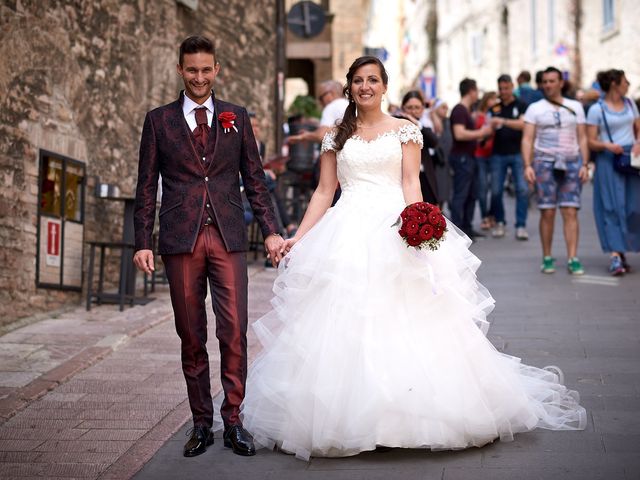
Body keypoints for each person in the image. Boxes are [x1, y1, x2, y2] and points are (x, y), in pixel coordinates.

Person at [236, 56, 586, 461]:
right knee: (344, 317)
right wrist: (299, 236)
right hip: (345, 230)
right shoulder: (335, 134)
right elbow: (323, 191)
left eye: (373, 80)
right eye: (358, 81)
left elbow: (409, 184)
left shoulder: (405, 130)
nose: (365, 87)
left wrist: (421, 231)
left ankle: (408, 417)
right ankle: (350, 418)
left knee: (406, 314)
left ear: (384, 86)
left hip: (392, 228)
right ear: (349, 87)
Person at [133, 36, 284, 458]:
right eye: (192, 70)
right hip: (181, 237)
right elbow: (146, 184)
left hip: (228, 234)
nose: (199, 78)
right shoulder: (159, 121)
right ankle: (201, 422)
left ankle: (233, 419)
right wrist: (142, 240)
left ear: (217, 70)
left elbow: (254, 178)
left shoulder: (235, 116)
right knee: (191, 333)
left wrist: (270, 229)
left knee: (234, 329)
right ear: (180, 70)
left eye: (206, 70)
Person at [522, 66, 590, 275]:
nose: (548, 85)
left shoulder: (575, 107)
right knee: (548, 211)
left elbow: (583, 137)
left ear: (561, 83)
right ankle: (548, 257)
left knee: (570, 210)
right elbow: (527, 138)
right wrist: (527, 165)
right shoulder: (535, 108)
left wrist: (585, 164)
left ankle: (573, 258)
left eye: (552, 81)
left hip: (571, 162)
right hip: (544, 163)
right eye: (545, 81)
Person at [586, 69, 640, 275]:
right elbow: (591, 140)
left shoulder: (630, 104)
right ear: (615, 83)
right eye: (625, 81)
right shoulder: (597, 109)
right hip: (609, 159)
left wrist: (638, 143)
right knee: (611, 206)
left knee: (633, 207)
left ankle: (623, 246)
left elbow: (638, 128)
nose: (628, 84)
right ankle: (615, 255)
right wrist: (607, 146)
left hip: (631, 158)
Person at [449, 78, 493, 238]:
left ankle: (467, 227)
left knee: (471, 193)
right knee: (461, 194)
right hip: (462, 158)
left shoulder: (466, 110)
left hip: (469, 156)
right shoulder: (460, 110)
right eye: (477, 91)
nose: (478, 95)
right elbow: (459, 134)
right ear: (471, 91)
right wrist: (481, 133)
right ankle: (457, 231)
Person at [488, 74, 530, 240]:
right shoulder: (495, 108)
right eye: (501, 88)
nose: (503, 91)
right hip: (498, 154)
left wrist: (503, 121)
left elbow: (523, 125)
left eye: (506, 88)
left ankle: (521, 225)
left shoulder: (521, 105)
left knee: (522, 189)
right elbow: (489, 127)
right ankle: (500, 222)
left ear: (512, 87)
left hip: (518, 153)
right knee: (496, 191)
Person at [400, 90, 439, 204]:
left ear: (422, 109)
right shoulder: (395, 124)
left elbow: (435, 142)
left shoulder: (423, 126)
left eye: (417, 108)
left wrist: (417, 125)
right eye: (409, 107)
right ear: (403, 108)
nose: (413, 111)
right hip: (403, 180)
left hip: (425, 177)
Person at [474, 91, 498, 230]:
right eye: (492, 99)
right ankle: (484, 216)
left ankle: (492, 215)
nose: (494, 102)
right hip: (480, 155)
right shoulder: (478, 116)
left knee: (495, 189)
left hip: (494, 155)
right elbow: (475, 135)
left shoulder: (497, 115)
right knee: (482, 187)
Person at [432, 99, 453, 208]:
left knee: (444, 189)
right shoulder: (431, 121)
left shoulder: (447, 122)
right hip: (436, 162)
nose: (446, 110)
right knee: (438, 189)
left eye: (447, 108)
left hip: (446, 161)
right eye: (443, 107)